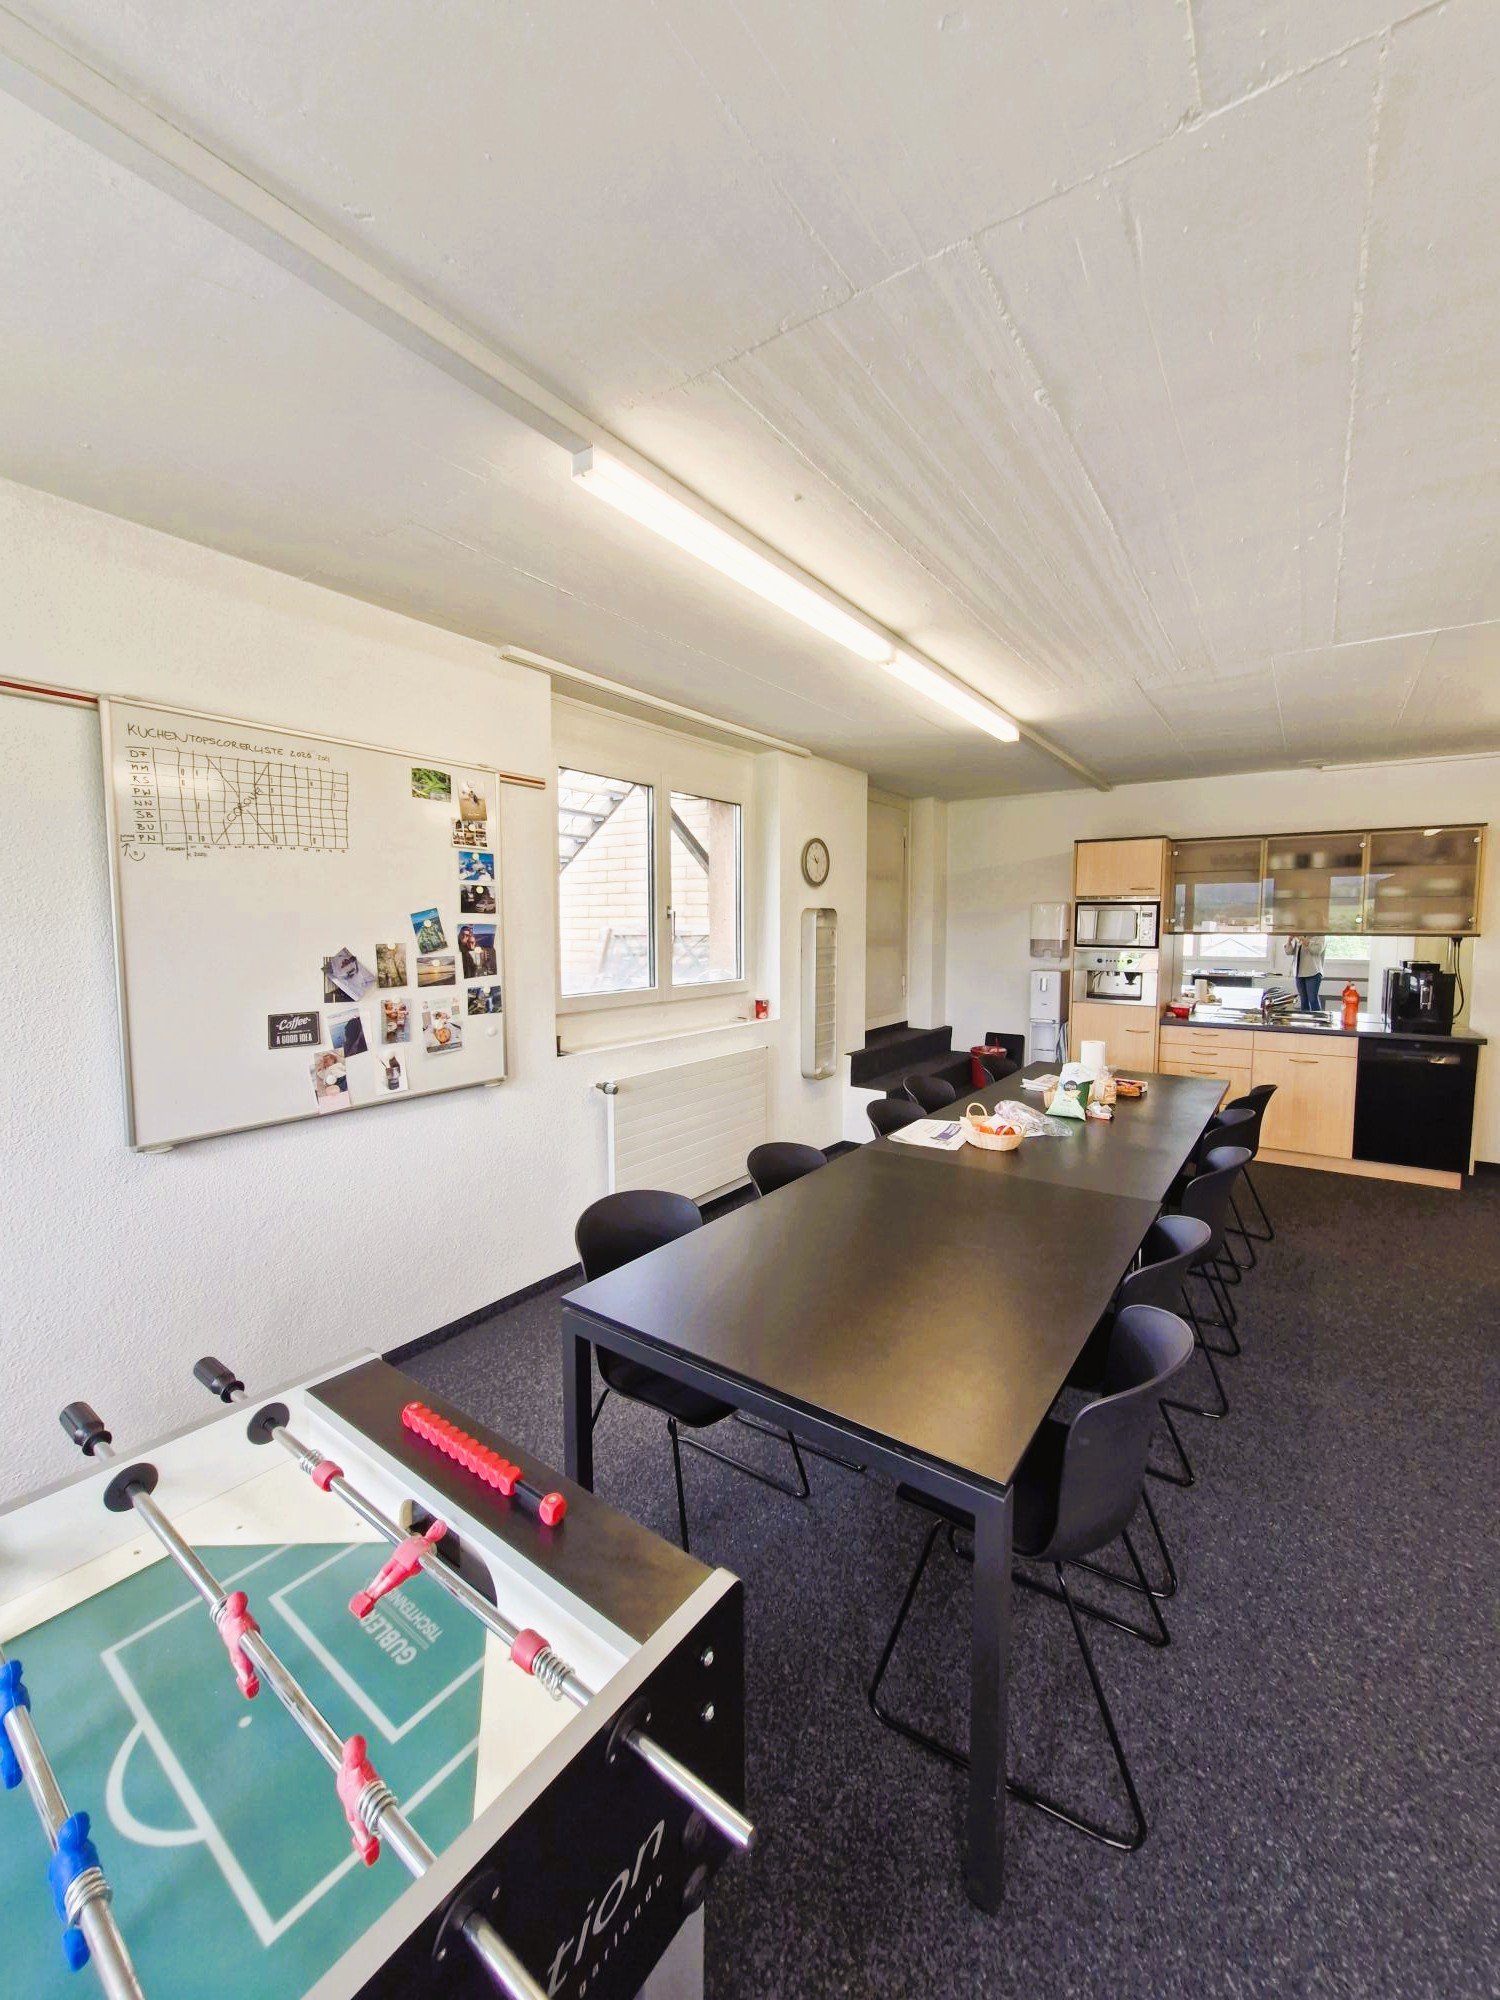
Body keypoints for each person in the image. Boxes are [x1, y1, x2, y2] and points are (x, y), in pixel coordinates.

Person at [1285, 933, 1327, 1012]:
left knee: (1313, 999)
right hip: (1299, 973)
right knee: (1303, 1000)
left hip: (1313, 972)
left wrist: (1303, 939)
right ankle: (1304, 1022)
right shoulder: (1299, 935)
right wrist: (1289, 940)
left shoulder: (1319, 935)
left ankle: (1317, 1021)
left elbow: (1317, 950)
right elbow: (1288, 952)